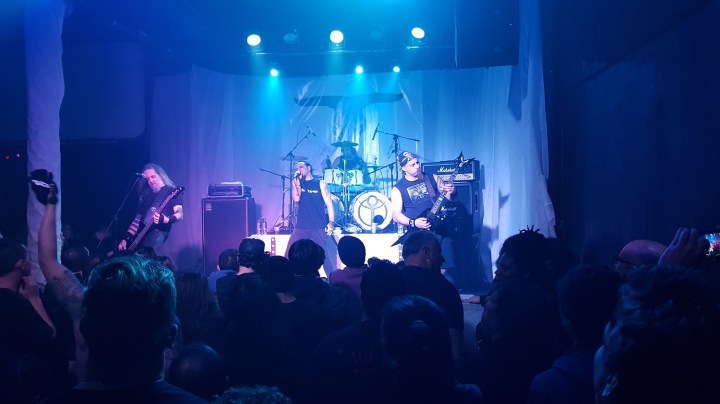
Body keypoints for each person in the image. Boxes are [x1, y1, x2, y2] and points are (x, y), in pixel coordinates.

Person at [391, 151, 456, 276]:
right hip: (418, 233)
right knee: (420, 268)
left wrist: (452, 191)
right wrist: (413, 222)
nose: (417, 166)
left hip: (438, 229)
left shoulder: (432, 178)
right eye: (412, 165)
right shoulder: (398, 188)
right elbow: (395, 214)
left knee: (443, 267)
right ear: (404, 168)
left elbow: (448, 199)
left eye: (417, 163)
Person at [117, 163, 183, 255]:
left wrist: (166, 219)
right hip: (140, 235)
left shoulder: (171, 191)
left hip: (158, 232)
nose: (151, 181)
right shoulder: (146, 195)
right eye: (148, 179)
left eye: (153, 177)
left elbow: (180, 214)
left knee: (146, 257)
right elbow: (137, 220)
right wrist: (126, 238)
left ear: (161, 175)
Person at [285, 160, 336, 274]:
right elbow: (296, 199)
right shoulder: (297, 182)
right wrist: (296, 184)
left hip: (318, 225)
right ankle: (285, 279)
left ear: (308, 168)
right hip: (301, 225)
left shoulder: (320, 183)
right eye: (297, 168)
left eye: (301, 167)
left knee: (324, 255)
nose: (299, 170)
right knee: (289, 252)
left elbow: (329, 204)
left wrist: (331, 222)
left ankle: (332, 280)